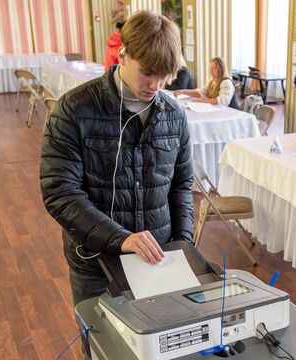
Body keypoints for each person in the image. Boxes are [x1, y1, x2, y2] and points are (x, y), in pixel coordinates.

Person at [40, 11, 193, 358]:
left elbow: (182, 185)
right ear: (122, 56)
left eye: (165, 76)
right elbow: (60, 193)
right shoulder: (74, 110)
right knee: (103, 350)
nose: (155, 85)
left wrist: (183, 244)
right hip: (97, 264)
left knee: (158, 349)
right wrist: (122, 239)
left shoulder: (174, 114)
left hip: (159, 262)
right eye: (148, 72)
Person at [174, 57, 239, 109]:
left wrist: (202, 101)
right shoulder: (212, 80)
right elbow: (201, 92)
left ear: (221, 69)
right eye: (210, 68)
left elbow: (222, 101)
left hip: (231, 112)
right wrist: (183, 91)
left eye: (213, 69)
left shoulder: (226, 82)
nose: (211, 71)